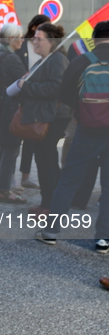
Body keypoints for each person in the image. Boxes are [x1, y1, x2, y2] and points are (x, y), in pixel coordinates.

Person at [35, 20, 109, 253]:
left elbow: (65, 92)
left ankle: (50, 232)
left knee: (68, 181)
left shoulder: (82, 61)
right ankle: (104, 239)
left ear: (94, 39)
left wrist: (79, 110)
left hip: (87, 129)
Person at [15, 23, 71, 216]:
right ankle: (51, 202)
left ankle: (49, 204)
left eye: (39, 39)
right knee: (46, 159)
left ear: (51, 42)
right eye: (34, 38)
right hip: (46, 115)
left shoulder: (57, 60)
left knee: (46, 160)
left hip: (53, 117)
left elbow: (55, 88)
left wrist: (27, 87)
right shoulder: (45, 60)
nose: (34, 42)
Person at [0, 23, 28, 204]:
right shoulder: (11, 58)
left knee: (5, 148)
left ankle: (0, 187)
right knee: (10, 148)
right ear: (12, 39)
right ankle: (4, 190)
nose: (22, 40)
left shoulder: (1, 54)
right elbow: (24, 82)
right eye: (20, 37)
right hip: (11, 107)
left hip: (2, 106)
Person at [16, 15, 51, 189]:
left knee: (31, 138)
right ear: (34, 27)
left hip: (35, 94)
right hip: (22, 92)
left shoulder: (50, 51)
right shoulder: (22, 45)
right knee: (17, 136)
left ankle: (26, 176)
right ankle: (13, 178)